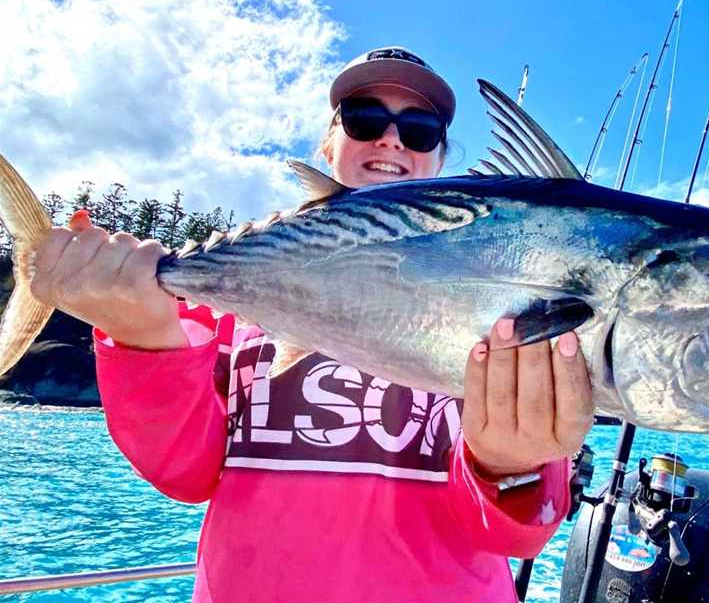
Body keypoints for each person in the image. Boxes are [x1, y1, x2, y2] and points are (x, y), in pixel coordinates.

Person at [31, 46, 595, 602]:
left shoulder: (509, 301)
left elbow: (511, 534)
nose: (392, 139)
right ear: (330, 142)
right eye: (365, 118)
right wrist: (143, 338)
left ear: (441, 158)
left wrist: (509, 466)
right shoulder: (239, 303)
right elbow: (184, 473)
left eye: (419, 129)